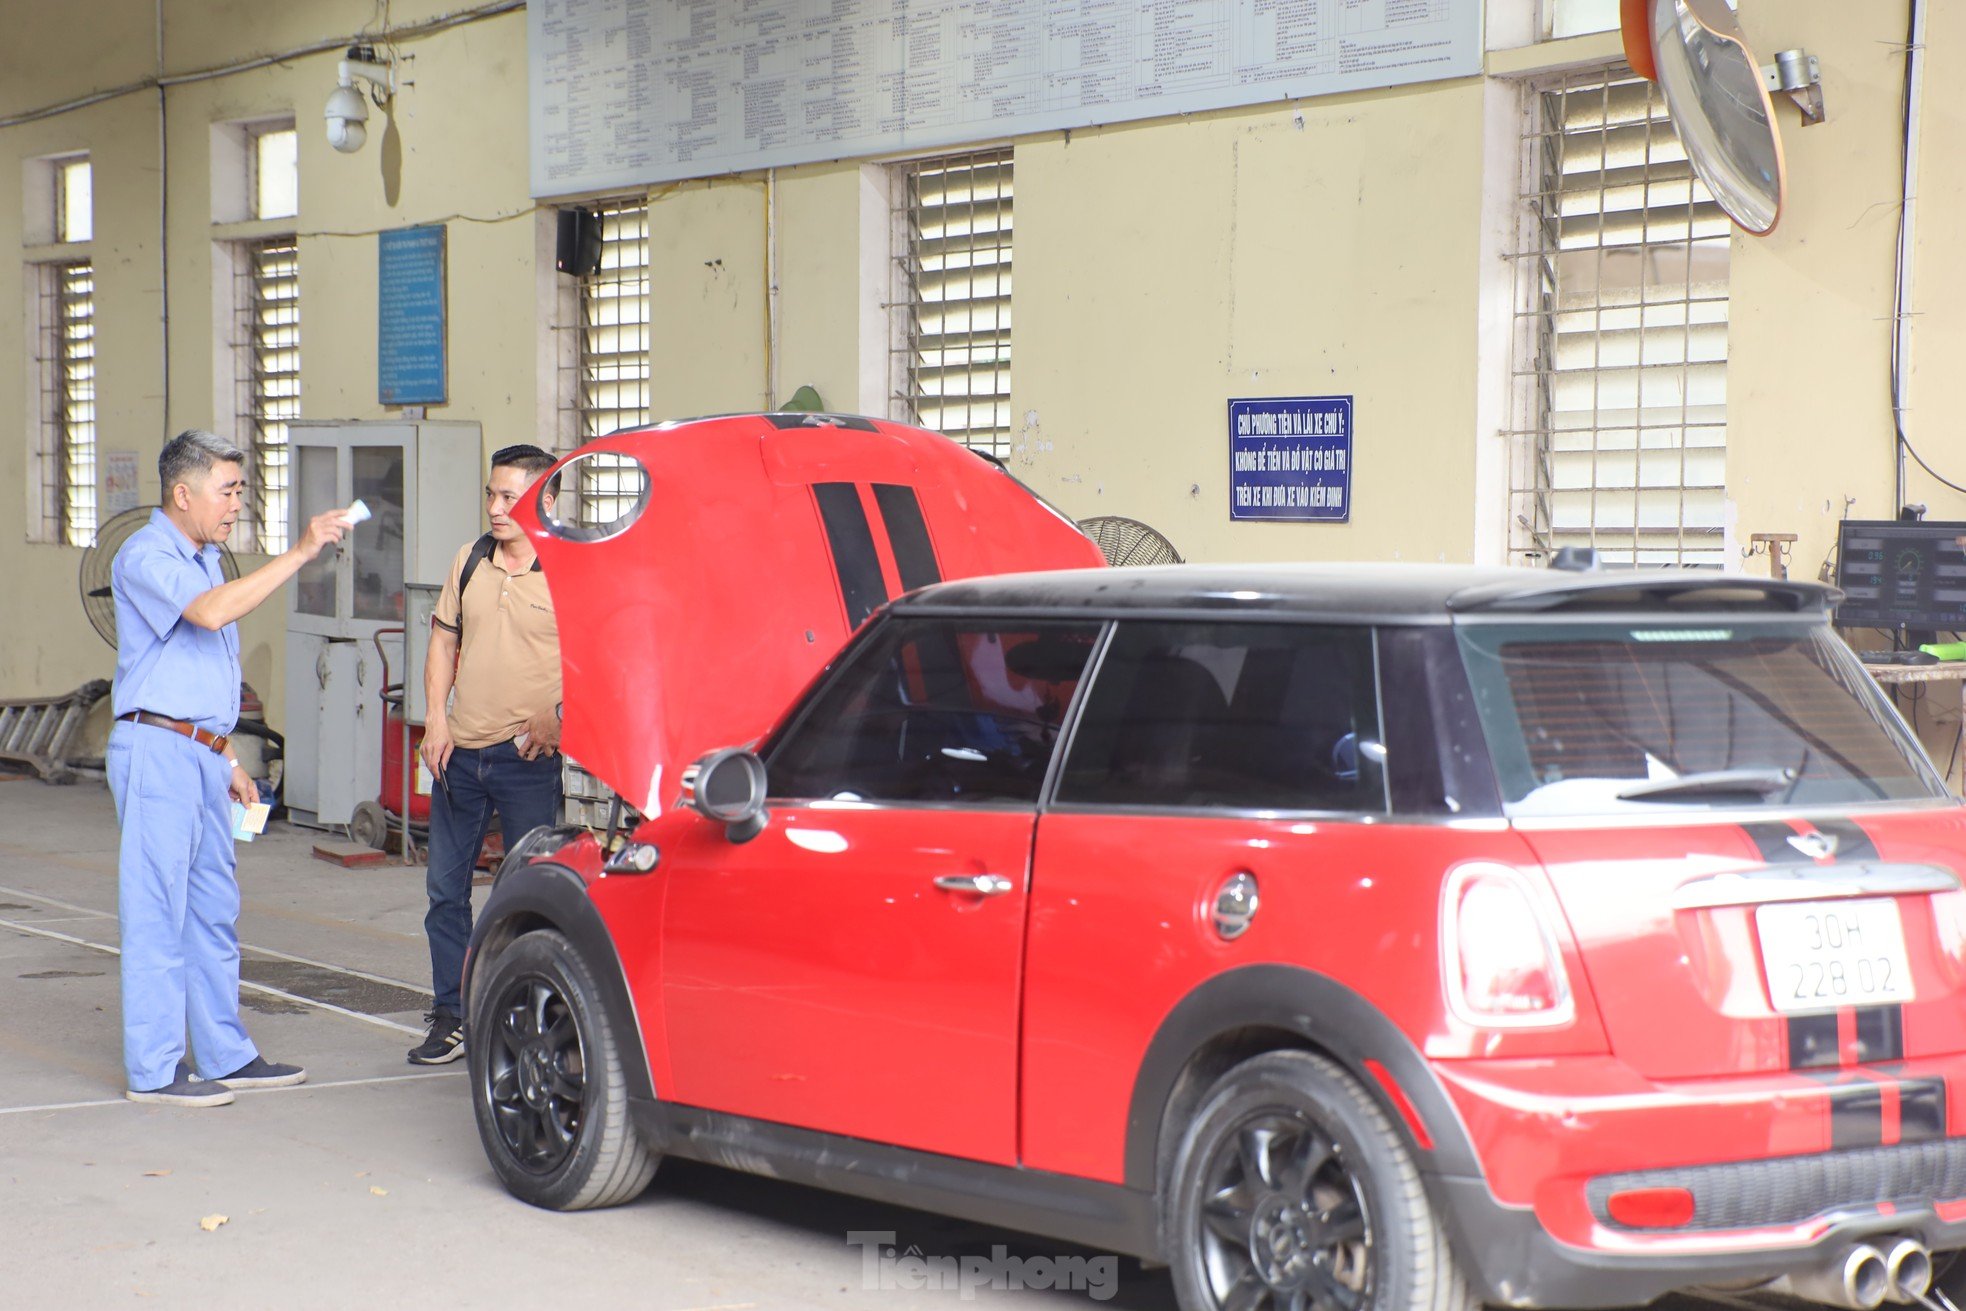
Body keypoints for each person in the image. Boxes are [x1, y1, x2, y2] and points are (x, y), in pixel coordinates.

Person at [110, 428, 352, 1106]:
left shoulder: (208, 557)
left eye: (240, 490)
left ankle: (224, 1053)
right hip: (155, 753)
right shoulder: (146, 554)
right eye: (227, 490)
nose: (235, 504)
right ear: (182, 493)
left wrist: (226, 753)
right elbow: (209, 618)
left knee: (214, 909)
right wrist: (301, 551)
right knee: (158, 911)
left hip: (200, 753)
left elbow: (200, 671)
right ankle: (155, 1070)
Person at [409, 444, 565, 1064]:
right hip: (460, 757)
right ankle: (454, 1013)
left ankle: (529, 1018)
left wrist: (562, 716)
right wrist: (436, 722)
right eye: (491, 495)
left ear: (545, 501)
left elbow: (606, 661)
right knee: (444, 894)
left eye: (510, 497)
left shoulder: (570, 571)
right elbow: (442, 645)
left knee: (530, 898)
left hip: (529, 762)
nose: (496, 509)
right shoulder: (470, 561)